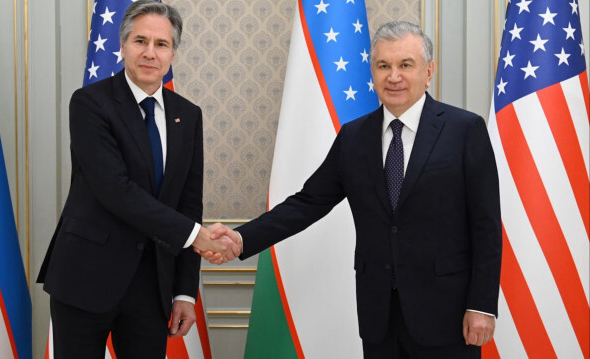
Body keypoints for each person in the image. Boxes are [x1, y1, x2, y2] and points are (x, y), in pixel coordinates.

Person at [203, 21, 501, 358]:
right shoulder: (354, 137)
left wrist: (482, 305)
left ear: (428, 71)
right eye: (383, 66)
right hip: (379, 317)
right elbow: (307, 203)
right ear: (371, 72)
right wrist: (243, 239)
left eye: (405, 65)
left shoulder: (465, 130)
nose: (394, 76)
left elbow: (486, 226)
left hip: (448, 314)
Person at [37, 1, 240, 358]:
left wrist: (184, 293)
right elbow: (115, 190)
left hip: (152, 286)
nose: (150, 53)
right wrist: (198, 237)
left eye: (161, 44)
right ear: (122, 45)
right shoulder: (89, 104)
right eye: (139, 41)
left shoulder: (188, 116)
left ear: (173, 52)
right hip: (85, 276)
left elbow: (189, 202)